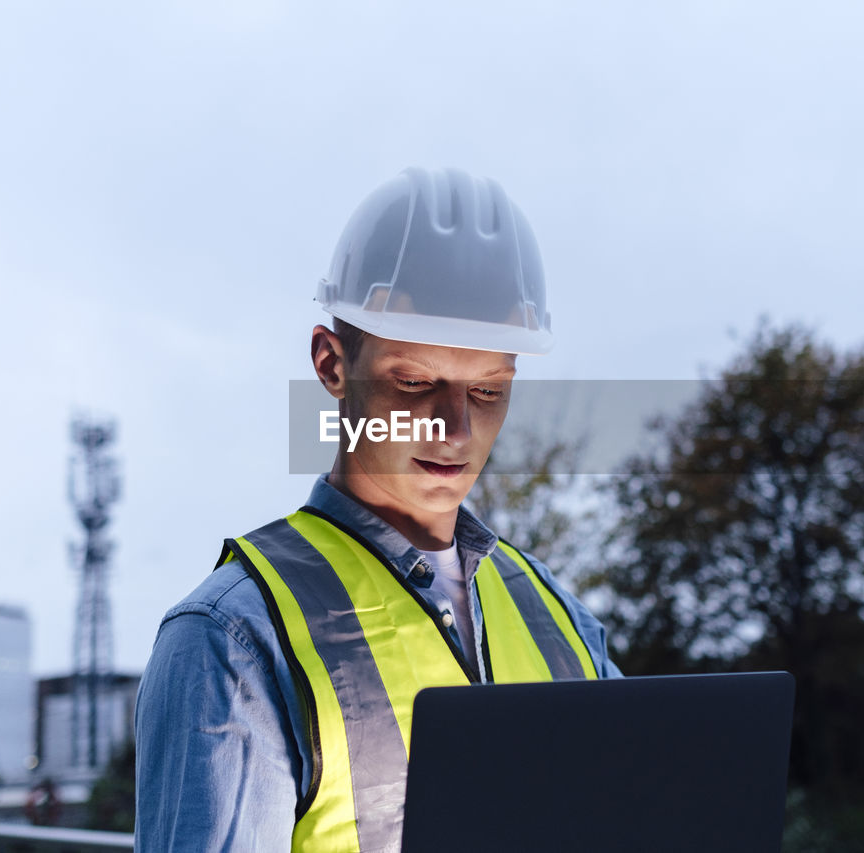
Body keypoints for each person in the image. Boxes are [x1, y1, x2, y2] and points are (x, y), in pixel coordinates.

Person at [134, 167, 622, 852]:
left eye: (487, 391)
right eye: (416, 381)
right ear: (331, 365)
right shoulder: (234, 638)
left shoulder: (561, 620)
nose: (454, 428)